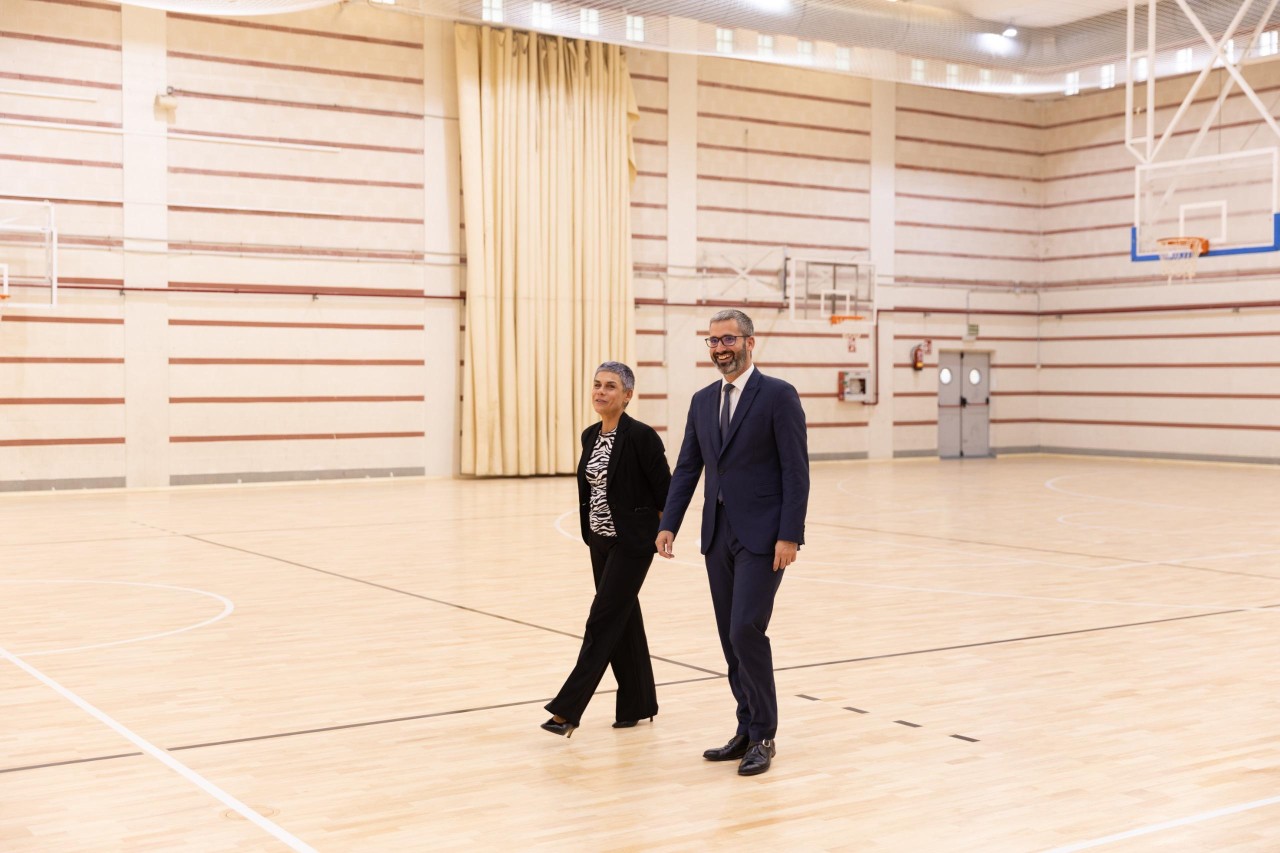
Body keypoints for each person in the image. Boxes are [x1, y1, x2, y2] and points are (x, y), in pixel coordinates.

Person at [656, 309, 809, 776]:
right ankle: (745, 727)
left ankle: (764, 733)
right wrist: (669, 522)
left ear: (749, 342)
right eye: (712, 341)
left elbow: (795, 471)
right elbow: (687, 467)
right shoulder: (703, 401)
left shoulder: (778, 395)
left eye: (728, 339)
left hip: (764, 537)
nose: (720, 348)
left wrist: (790, 535)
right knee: (729, 638)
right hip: (716, 534)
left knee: (746, 630)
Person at [542, 361, 672, 738]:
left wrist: (665, 531)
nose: (601, 392)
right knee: (623, 619)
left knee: (601, 621)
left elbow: (666, 491)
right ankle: (638, 703)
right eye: (597, 385)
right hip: (598, 541)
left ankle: (567, 711)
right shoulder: (590, 436)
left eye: (611, 386)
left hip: (633, 542)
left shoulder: (642, 437)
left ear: (628, 395)